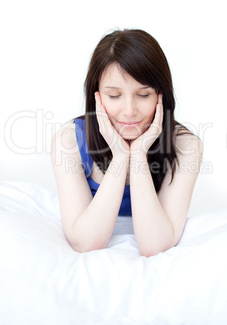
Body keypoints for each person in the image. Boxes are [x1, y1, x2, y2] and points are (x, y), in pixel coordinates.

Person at [51, 29, 202, 257]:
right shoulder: (69, 141)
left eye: (143, 95)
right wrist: (121, 156)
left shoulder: (186, 146)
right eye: (114, 96)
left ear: (161, 96)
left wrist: (138, 154)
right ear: (97, 97)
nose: (129, 111)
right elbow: (85, 243)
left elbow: (155, 246)